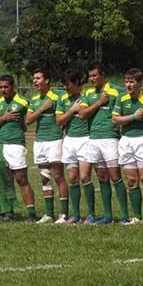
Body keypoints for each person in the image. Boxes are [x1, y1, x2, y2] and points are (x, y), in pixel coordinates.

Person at [79, 61, 129, 225]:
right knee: (101, 176)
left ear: (102, 75)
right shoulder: (88, 94)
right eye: (90, 76)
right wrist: (99, 102)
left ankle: (124, 216)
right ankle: (107, 216)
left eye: (94, 75)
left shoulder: (117, 90)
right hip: (94, 139)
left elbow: (130, 100)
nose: (92, 79)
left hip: (110, 138)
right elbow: (83, 114)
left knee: (115, 176)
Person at [0, 75, 37, 222]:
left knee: (21, 178)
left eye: (6, 87)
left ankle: (31, 213)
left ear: (13, 86)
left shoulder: (23, 102)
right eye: (1, 87)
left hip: (16, 144)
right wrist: (4, 118)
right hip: (1, 144)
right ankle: (8, 212)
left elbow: (29, 119)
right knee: (5, 179)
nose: (3, 90)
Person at [112, 68, 143, 226]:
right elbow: (115, 119)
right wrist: (133, 117)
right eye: (126, 81)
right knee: (131, 180)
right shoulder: (121, 99)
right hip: (126, 141)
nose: (128, 85)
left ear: (140, 83)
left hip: (142, 141)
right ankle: (137, 217)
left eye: (132, 82)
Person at [26, 68, 69, 224]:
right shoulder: (35, 99)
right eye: (34, 78)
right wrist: (42, 109)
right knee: (44, 177)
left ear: (47, 80)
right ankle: (49, 214)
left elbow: (65, 114)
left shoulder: (58, 96)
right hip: (39, 141)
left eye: (38, 78)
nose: (35, 81)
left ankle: (64, 214)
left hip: (55, 140)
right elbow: (28, 120)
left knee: (58, 176)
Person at [55, 69, 89, 224]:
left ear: (76, 83)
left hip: (85, 140)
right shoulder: (63, 99)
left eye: (68, 84)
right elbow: (59, 121)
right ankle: (75, 215)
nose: (66, 88)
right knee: (73, 178)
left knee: (84, 177)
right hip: (69, 140)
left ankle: (91, 214)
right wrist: (72, 110)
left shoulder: (87, 96)